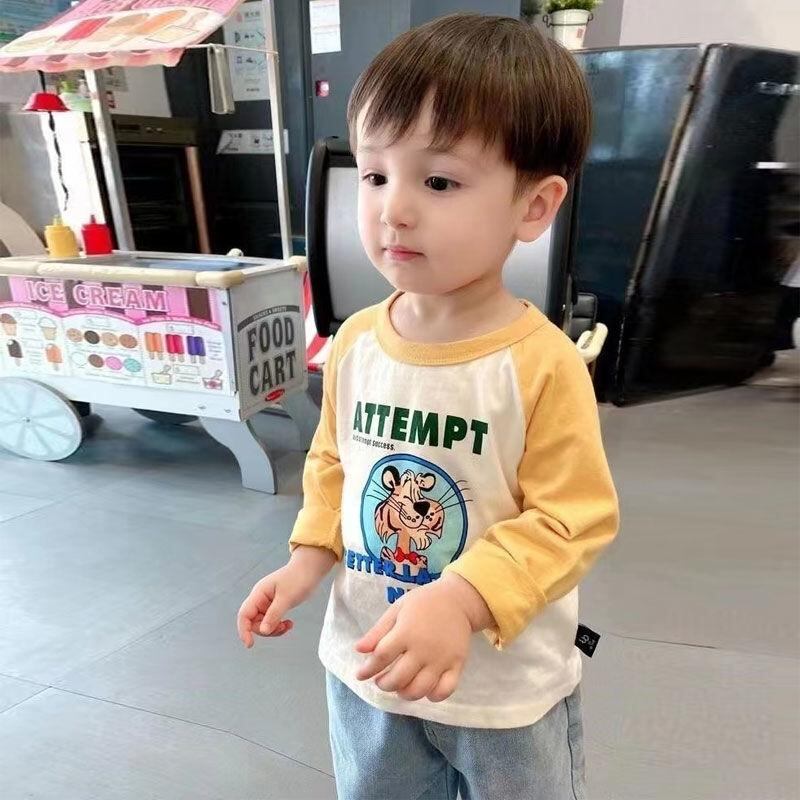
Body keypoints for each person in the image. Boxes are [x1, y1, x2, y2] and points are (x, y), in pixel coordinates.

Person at [237, 13, 619, 799]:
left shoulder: (540, 363)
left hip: (501, 690)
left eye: (438, 181)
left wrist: (464, 597)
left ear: (534, 205)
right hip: (370, 664)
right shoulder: (355, 343)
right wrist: (308, 558)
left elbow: (571, 518)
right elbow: (336, 464)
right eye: (375, 175)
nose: (394, 209)